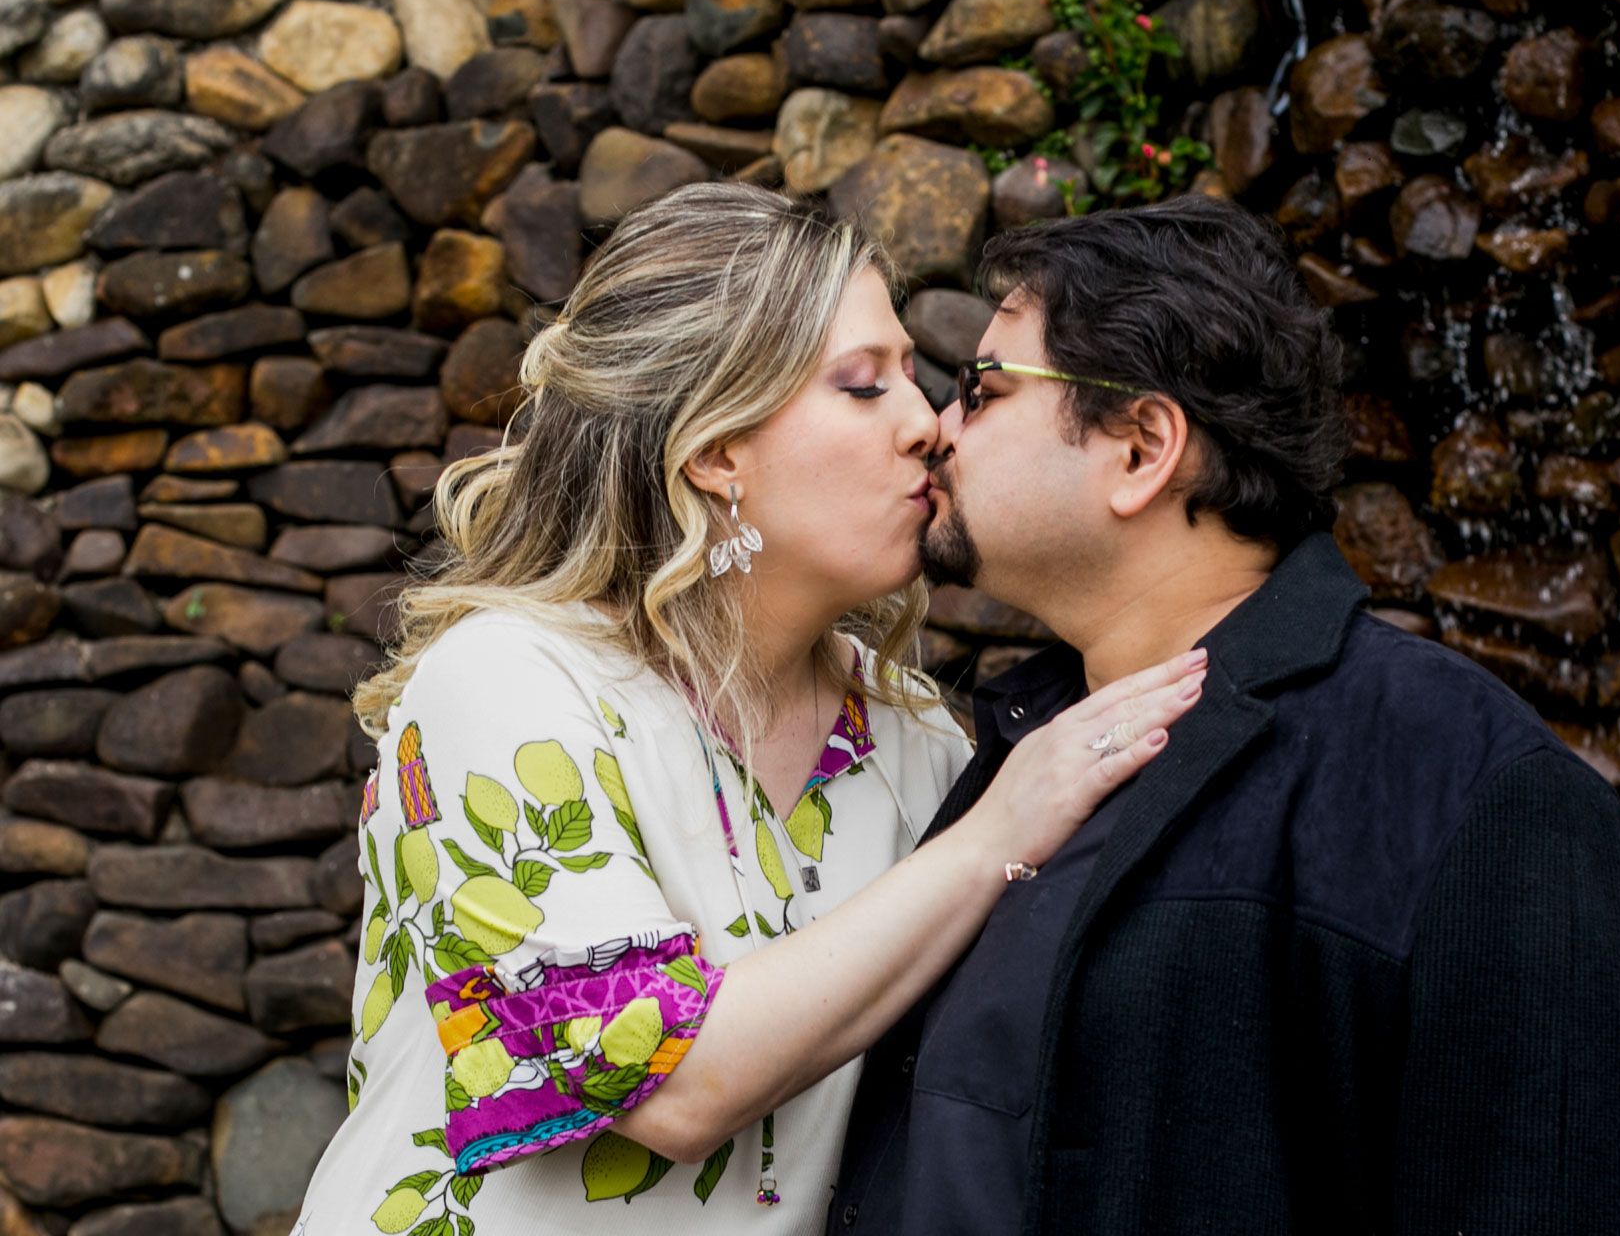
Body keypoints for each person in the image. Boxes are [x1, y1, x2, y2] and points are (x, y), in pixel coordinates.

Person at [290, 183, 1207, 1236]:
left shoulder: (917, 738)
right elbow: (663, 1081)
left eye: (920, 377)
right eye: (864, 387)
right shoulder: (510, 680)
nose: (929, 426)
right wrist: (997, 834)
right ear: (718, 450)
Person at [833, 194, 1620, 1234]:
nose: (937, 427)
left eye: (985, 387)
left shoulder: (1474, 793)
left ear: (1143, 447)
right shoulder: (999, 750)